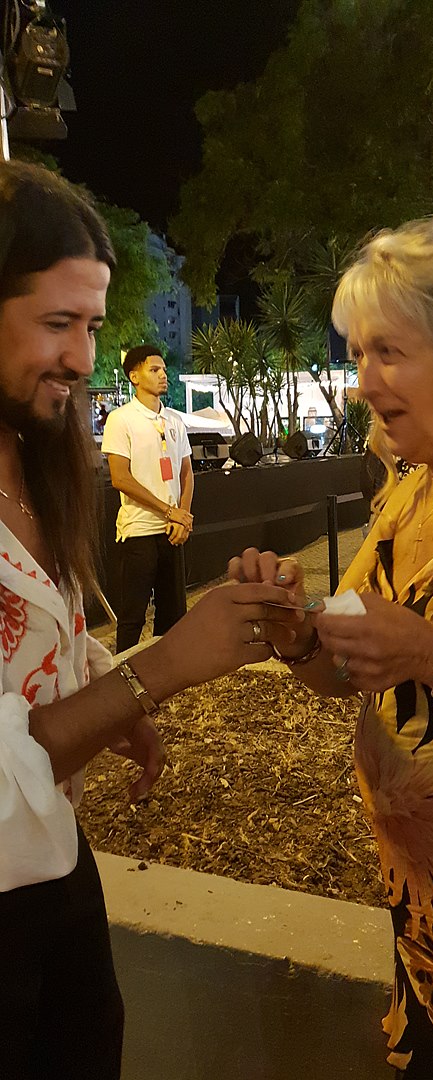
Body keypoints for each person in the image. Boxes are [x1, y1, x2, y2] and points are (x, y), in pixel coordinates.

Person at [0, 160, 303, 1080]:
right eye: (58, 323)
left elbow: (37, 642)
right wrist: (157, 669)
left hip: (55, 860)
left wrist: (101, 693)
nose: (82, 358)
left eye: (92, 327)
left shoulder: (30, 456)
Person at [229, 212, 433, 1079]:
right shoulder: (407, 494)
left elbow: (416, 652)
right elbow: (349, 667)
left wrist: (432, 652)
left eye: (386, 353)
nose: (361, 383)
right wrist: (298, 631)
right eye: (356, 354)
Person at [101, 345, 194, 652]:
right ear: (134, 376)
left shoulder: (174, 421)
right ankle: (122, 673)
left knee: (174, 619)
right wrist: (170, 511)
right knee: (132, 618)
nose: (163, 375)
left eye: (164, 370)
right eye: (154, 370)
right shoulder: (121, 419)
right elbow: (120, 478)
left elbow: (186, 473)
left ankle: (168, 674)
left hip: (172, 532)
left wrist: (183, 517)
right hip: (138, 531)